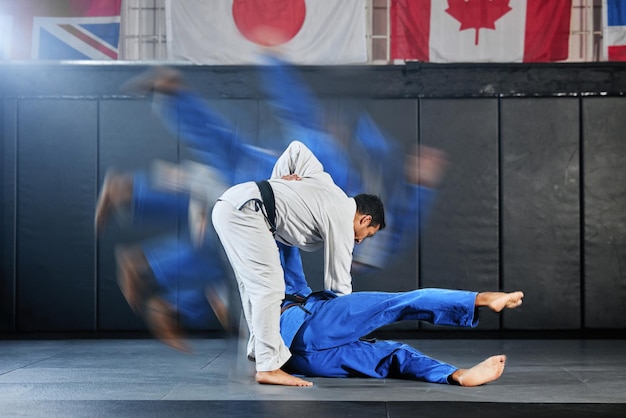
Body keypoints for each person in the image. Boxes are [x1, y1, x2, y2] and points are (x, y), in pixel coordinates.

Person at [212, 140, 386, 387]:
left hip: (230, 205)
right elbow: (339, 282)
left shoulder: (324, 181)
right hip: (249, 212)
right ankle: (269, 366)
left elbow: (296, 149)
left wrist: (278, 182)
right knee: (270, 288)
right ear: (365, 219)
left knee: (253, 288)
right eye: (366, 234)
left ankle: (259, 353)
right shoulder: (343, 215)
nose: (359, 241)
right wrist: (345, 328)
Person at [277, 250, 524, 386]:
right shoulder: (295, 293)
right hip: (312, 324)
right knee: (400, 303)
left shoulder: (269, 311)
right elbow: (285, 244)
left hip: (298, 361)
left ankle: (457, 375)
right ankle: (481, 298)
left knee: (394, 355)